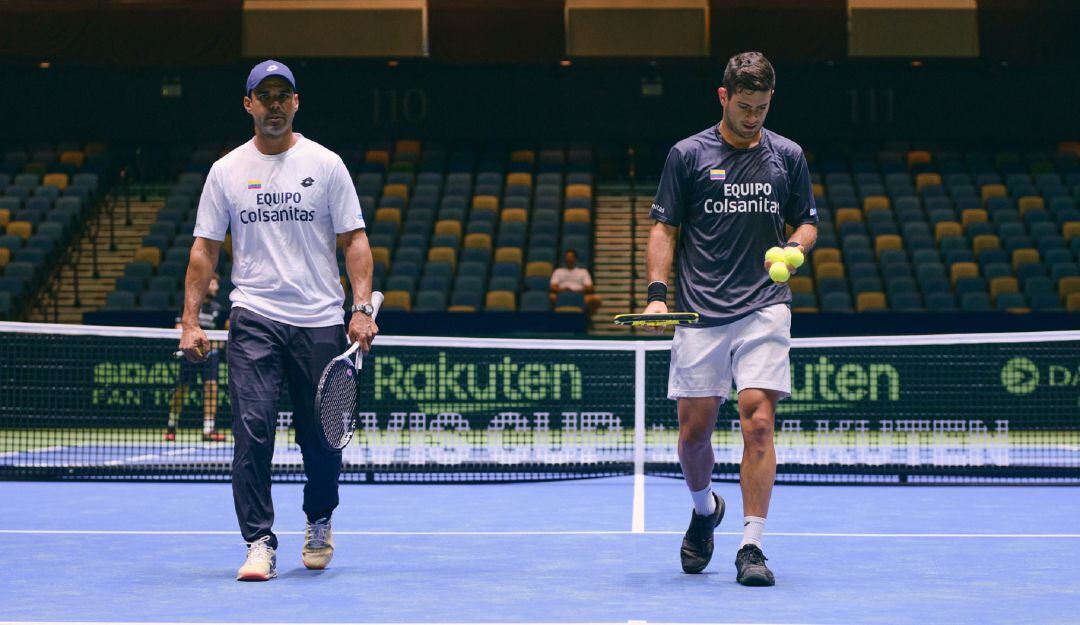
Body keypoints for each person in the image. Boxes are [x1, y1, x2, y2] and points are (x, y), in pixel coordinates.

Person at [178, 60, 378, 582]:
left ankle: (318, 518)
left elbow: (354, 241)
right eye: (262, 95)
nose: (272, 103)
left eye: (281, 95)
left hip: (318, 320)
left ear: (295, 102)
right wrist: (190, 321)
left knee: (322, 438)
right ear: (248, 104)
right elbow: (204, 250)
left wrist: (359, 308)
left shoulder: (327, 165)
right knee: (252, 430)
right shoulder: (225, 171)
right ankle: (259, 540)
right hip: (255, 315)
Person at [643, 51, 818, 586]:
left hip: (765, 305)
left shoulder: (786, 155)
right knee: (694, 434)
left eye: (762, 107)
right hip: (701, 312)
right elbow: (665, 229)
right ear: (723, 97)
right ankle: (704, 511)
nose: (753, 117)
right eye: (744, 107)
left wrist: (793, 249)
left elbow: (807, 224)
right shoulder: (688, 155)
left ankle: (752, 546)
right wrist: (656, 293)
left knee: (758, 421)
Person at [166, 272, 226, 442]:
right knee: (181, 390)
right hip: (190, 353)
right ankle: (171, 425)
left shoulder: (217, 309)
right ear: (205, 283)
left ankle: (208, 429)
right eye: (213, 284)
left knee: (211, 388)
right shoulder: (190, 304)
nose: (216, 287)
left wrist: (212, 345)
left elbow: (222, 336)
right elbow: (179, 326)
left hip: (210, 354)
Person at [549, 249, 601, 314]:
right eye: (567, 257)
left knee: (596, 299)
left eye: (571, 257)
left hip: (580, 295)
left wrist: (576, 291)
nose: (569, 259)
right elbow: (553, 287)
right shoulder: (558, 271)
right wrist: (563, 290)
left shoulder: (583, 271)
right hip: (562, 295)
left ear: (575, 259)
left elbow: (589, 287)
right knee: (550, 297)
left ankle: (587, 318)